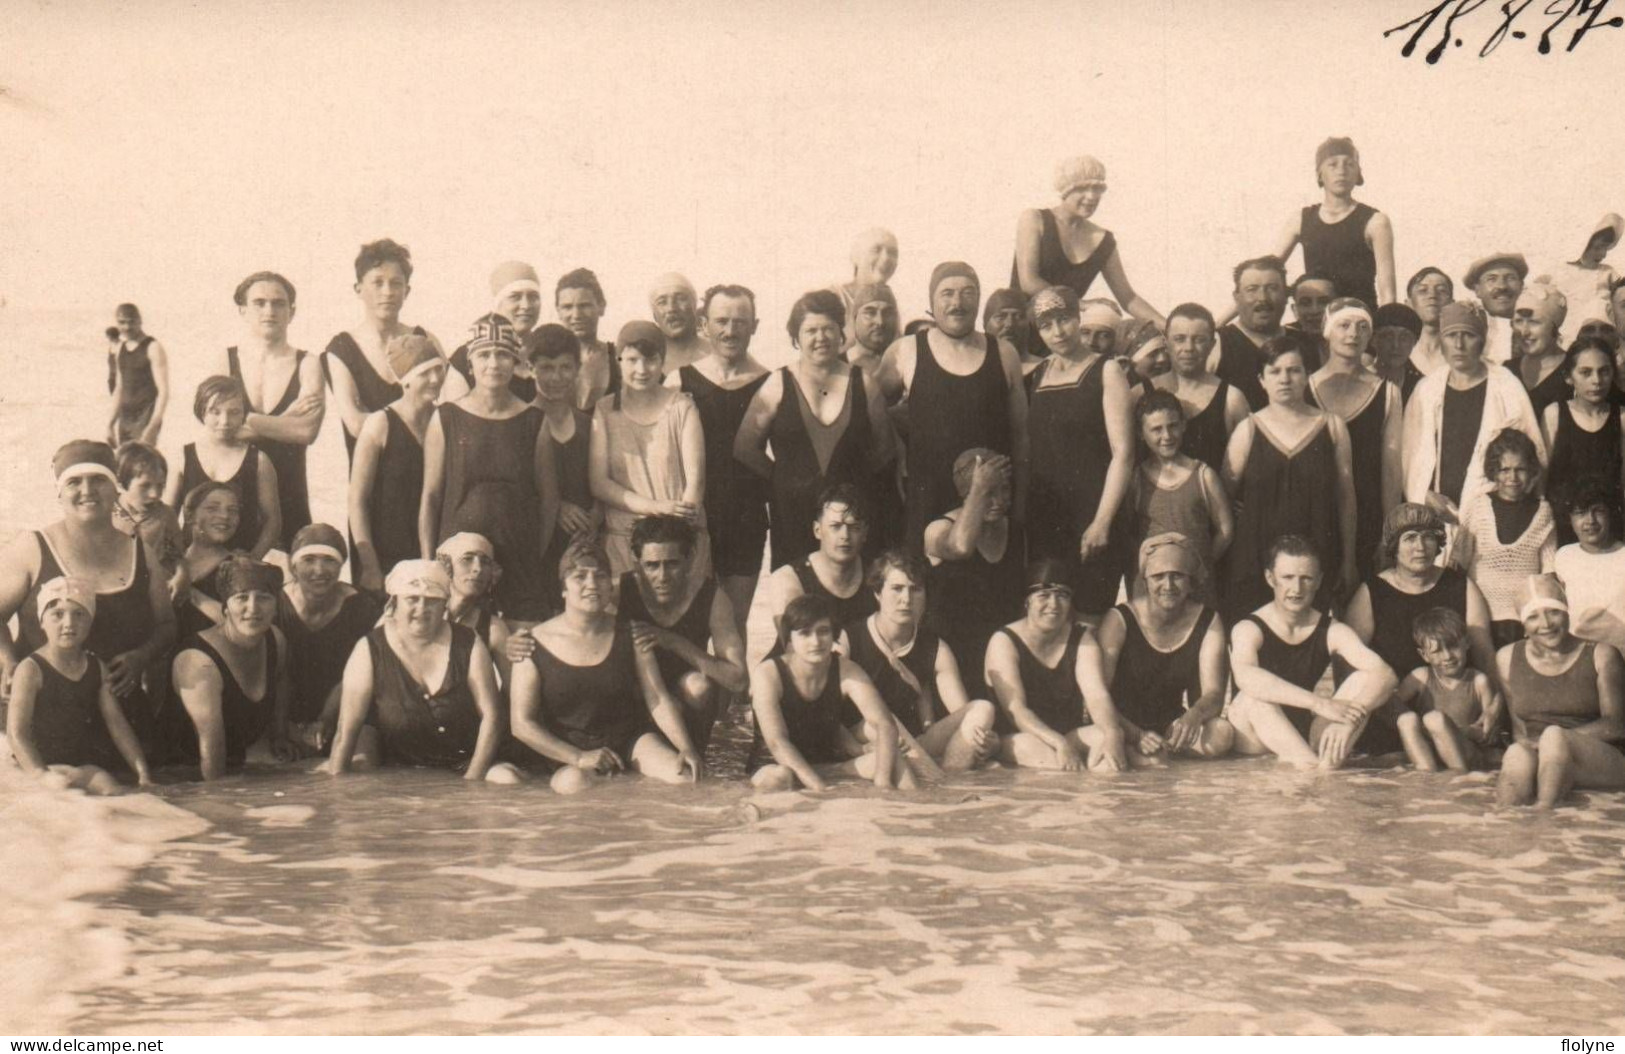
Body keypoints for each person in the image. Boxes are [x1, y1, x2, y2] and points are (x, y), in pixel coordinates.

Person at [0, 441, 176, 750]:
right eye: (74, 482)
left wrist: (141, 657)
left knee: (143, 793)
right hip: (41, 713)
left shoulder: (141, 553)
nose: (87, 490)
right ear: (59, 493)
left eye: (98, 480)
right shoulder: (33, 547)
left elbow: (166, 626)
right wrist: (9, 662)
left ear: (115, 487)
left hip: (119, 713)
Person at [508, 541, 703, 793]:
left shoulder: (629, 632)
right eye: (580, 576)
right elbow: (521, 724)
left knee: (684, 779)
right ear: (563, 589)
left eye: (600, 576)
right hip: (565, 750)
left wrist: (686, 747)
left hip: (630, 740)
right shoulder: (531, 644)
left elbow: (657, 699)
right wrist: (578, 757)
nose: (592, 584)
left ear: (610, 586)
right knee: (574, 786)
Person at [735, 290, 894, 568]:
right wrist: (784, 478)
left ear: (841, 333)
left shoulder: (864, 384)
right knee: (796, 597)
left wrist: (851, 476)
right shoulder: (777, 383)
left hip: (849, 518)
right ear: (796, 337)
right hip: (792, 513)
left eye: (828, 329)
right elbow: (745, 448)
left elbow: (884, 448)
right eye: (810, 330)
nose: (820, 338)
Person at [877, 263, 1028, 556]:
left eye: (967, 293)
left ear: (978, 299)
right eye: (947, 293)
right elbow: (868, 410)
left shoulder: (1003, 353)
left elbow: (1021, 437)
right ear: (932, 302)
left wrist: (1020, 505)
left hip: (993, 501)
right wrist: (896, 447)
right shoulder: (906, 350)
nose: (957, 303)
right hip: (928, 497)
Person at [324, 560, 519, 782]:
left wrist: (472, 781)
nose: (422, 609)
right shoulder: (369, 648)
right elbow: (347, 729)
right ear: (393, 604)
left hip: (465, 762)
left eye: (432, 601)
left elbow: (492, 715)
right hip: (396, 766)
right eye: (412, 599)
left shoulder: (468, 642)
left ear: (444, 606)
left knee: (507, 779)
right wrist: (336, 785)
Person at [419, 315, 558, 625]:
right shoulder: (447, 417)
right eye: (484, 354)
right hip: (459, 565)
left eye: (503, 354)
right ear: (470, 364)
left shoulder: (535, 421)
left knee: (519, 654)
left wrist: (533, 555)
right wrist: (432, 563)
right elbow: (430, 496)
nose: (493, 363)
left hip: (519, 563)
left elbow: (549, 500)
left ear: (515, 361)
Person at [1227, 536, 1398, 769]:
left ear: (1318, 581)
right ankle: (1312, 769)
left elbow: (1386, 675)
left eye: (1306, 578)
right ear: (1270, 578)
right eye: (1287, 578)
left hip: (1303, 733)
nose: (1296, 589)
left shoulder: (1331, 629)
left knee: (1364, 678)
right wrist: (1318, 703)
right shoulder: (1248, 628)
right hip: (1254, 736)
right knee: (1254, 698)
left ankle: (1321, 769)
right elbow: (1247, 679)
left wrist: (1349, 722)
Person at [1222, 338, 1356, 620]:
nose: (1285, 379)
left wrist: (1349, 559)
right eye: (1275, 371)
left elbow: (1345, 497)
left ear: (1307, 375)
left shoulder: (1332, 426)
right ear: (1261, 379)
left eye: (1294, 370)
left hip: (1317, 556)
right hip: (1256, 559)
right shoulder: (1248, 429)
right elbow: (1223, 494)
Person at [1020, 287, 1131, 619]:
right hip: (1047, 519)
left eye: (1064, 320)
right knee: (1049, 617)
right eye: (1047, 325)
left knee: (1089, 618)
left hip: (1093, 517)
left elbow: (1123, 453)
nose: (1058, 332)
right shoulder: (1036, 375)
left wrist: (1102, 521)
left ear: (1077, 317)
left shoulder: (1106, 371)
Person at [840, 549, 1000, 770]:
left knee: (982, 709)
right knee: (882, 722)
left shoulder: (936, 648)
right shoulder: (850, 639)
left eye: (915, 590)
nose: (906, 599)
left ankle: (953, 779)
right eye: (897, 589)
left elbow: (960, 717)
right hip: (867, 738)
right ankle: (937, 783)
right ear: (878, 593)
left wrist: (987, 740)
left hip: (915, 744)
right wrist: (857, 749)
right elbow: (827, 716)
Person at [1344, 502, 1499, 715]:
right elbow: (1348, 665)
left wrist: (1493, 709)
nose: (1420, 547)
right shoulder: (1371, 593)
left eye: (1428, 537)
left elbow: (1484, 653)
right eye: (1410, 538)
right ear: (1393, 546)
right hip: (1391, 710)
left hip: (1454, 709)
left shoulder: (1460, 586)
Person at [746, 594, 910, 792]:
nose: (815, 641)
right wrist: (820, 789)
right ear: (789, 638)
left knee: (891, 758)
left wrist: (883, 783)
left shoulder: (847, 670)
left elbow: (884, 724)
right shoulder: (768, 673)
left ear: (834, 634)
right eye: (805, 633)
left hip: (825, 767)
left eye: (823, 631)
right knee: (782, 776)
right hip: (773, 767)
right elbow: (777, 742)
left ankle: (917, 808)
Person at [681, 285, 771, 637]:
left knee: (735, 625)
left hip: (746, 518)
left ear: (755, 325)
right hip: (694, 514)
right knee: (692, 621)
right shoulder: (682, 379)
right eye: (721, 321)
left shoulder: (771, 382)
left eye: (740, 322)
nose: (730, 331)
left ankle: (736, 695)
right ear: (704, 324)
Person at [1094, 534, 1233, 758]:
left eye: (1177, 576)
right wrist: (1135, 735)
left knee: (1221, 733)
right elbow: (1098, 695)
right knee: (1142, 760)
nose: (1168, 585)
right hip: (1121, 724)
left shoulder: (1207, 620)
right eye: (1158, 576)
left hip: (1170, 726)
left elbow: (1214, 693)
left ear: (1190, 582)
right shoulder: (1119, 619)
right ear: (1145, 581)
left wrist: (1194, 715)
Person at [615, 515, 747, 752]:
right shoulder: (618, 592)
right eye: (652, 566)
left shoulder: (712, 598)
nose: (663, 576)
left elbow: (737, 679)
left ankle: (693, 756)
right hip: (637, 695)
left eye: (672, 564)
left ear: (690, 560)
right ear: (637, 562)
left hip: (688, 697)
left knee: (698, 686)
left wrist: (674, 641)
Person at [6, 578, 151, 793]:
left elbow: (117, 725)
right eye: (57, 614)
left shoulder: (96, 667)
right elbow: (17, 732)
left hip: (79, 766)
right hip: (33, 766)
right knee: (60, 794)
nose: (69, 623)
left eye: (79, 614)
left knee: (114, 791)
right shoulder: (30, 669)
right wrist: (40, 775)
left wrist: (144, 774)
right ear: (42, 622)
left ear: (90, 622)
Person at [1403, 301, 1545, 520]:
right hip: (1438, 517)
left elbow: (1532, 454)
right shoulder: (1426, 389)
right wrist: (1424, 494)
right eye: (1451, 335)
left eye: (1469, 335)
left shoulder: (1506, 385)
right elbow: (1409, 455)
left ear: (1482, 340)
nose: (1459, 344)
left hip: (1495, 515)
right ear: (1441, 341)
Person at [987, 559, 1133, 771]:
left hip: (1069, 735)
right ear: (1027, 601)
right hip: (1019, 737)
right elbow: (1016, 710)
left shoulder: (1082, 639)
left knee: (1110, 758)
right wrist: (1058, 743)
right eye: (1043, 596)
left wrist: (1112, 733)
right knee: (1058, 768)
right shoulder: (1004, 641)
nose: (1053, 604)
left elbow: (1097, 695)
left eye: (1062, 595)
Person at [590, 320, 709, 578]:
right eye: (632, 360)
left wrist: (672, 536)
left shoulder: (682, 407)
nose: (642, 369)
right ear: (619, 360)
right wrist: (655, 507)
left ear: (663, 361)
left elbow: (695, 485)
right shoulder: (604, 410)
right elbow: (599, 483)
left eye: (651, 359)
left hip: (678, 542)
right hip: (624, 543)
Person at [1495, 574, 1625, 808]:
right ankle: (1505, 828)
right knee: (1516, 755)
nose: (1545, 624)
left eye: (1553, 612)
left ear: (1567, 612)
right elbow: (1519, 731)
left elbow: (1616, 725)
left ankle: (1544, 817)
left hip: (1603, 760)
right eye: (1533, 616)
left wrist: (1546, 742)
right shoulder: (1506, 658)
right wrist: (1535, 749)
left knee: (1554, 737)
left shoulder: (1601, 654)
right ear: (1523, 625)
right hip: (1546, 758)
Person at [165, 556, 301, 779]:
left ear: (276, 607)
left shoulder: (275, 640)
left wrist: (279, 734)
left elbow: (281, 679)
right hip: (183, 775)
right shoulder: (198, 662)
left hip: (240, 760)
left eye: (264, 598)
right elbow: (211, 756)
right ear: (225, 607)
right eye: (242, 598)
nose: (253, 608)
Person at [221, 271, 324, 549]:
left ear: (292, 311)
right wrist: (284, 422)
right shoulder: (224, 360)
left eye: (279, 303)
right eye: (259, 303)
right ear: (243, 310)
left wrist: (249, 421)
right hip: (232, 497)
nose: (270, 310)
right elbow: (220, 434)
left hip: (289, 493)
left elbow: (306, 431)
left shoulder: (308, 363)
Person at [1305, 298, 1403, 583]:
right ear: (1327, 331)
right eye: (1344, 325)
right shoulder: (1304, 387)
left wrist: (1389, 534)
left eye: (1362, 327)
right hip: (1315, 513)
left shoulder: (1387, 393)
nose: (1353, 334)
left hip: (1366, 515)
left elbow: (1391, 468)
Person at [322, 239, 440, 460]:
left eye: (396, 283)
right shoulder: (342, 349)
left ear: (407, 290)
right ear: (358, 289)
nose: (388, 292)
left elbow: (451, 411)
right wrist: (421, 425)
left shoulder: (424, 339)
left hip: (429, 468)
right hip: (371, 476)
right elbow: (355, 424)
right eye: (378, 282)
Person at [1011, 155, 1163, 325]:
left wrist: (1170, 327)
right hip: (1019, 327)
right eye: (1082, 188)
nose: (1091, 196)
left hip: (1064, 333)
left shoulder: (1104, 240)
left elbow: (1128, 297)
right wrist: (1081, 304)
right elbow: (1029, 282)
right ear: (1065, 189)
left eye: (1097, 188)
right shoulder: (1034, 219)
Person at [348, 333, 447, 592]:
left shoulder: (447, 422)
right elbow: (357, 500)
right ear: (405, 380)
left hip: (435, 553)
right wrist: (369, 565)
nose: (436, 379)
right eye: (425, 373)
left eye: (439, 370)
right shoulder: (380, 424)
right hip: (386, 556)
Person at [924, 449, 1024, 696]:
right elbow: (960, 547)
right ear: (966, 494)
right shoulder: (937, 529)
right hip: (955, 660)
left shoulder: (1015, 530)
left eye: (1004, 490)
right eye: (989, 492)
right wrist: (979, 486)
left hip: (1001, 657)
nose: (999, 501)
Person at [277, 524, 383, 752]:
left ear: (341, 565)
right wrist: (281, 728)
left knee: (362, 767)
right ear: (293, 566)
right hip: (282, 713)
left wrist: (326, 719)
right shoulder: (275, 604)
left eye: (329, 560)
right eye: (309, 560)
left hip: (346, 707)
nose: (319, 570)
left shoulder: (362, 608)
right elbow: (275, 675)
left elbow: (357, 674)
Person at [1455, 428, 1556, 646]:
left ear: (1531, 471)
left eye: (1520, 469)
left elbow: (1548, 571)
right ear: (1493, 471)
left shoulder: (1543, 511)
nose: (1512, 478)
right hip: (1479, 616)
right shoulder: (1478, 506)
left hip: (1525, 618)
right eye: (1504, 470)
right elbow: (1458, 563)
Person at [1129, 391, 1232, 604]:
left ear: (1184, 424)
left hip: (1195, 588)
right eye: (1156, 429)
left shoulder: (1203, 475)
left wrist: (1197, 565)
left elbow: (1225, 530)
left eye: (1173, 425)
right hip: (1152, 591)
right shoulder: (1136, 479)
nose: (1167, 436)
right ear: (1141, 433)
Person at [1272, 137, 1395, 309]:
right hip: (1317, 320)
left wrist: (1387, 327)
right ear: (1319, 174)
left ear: (1358, 173)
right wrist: (1221, 321)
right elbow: (1265, 273)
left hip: (1359, 322)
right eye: (1332, 164)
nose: (1341, 171)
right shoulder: (1301, 219)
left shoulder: (1376, 221)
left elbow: (1387, 292)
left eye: (1349, 164)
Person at [527, 324, 600, 608]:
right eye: (546, 367)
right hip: (540, 543)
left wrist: (596, 516)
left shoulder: (589, 424)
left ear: (578, 367)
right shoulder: (521, 422)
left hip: (586, 543)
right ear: (530, 368)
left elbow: (606, 479)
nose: (556, 377)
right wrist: (555, 507)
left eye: (565, 367)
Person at [168, 375, 279, 558]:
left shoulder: (259, 461)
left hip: (239, 565)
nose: (225, 421)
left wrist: (252, 559)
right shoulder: (183, 456)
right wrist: (177, 563)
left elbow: (272, 522)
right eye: (215, 411)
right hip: (191, 563)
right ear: (202, 411)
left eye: (234, 412)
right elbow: (167, 517)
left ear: (243, 413)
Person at [764, 484, 877, 651]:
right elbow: (794, 648)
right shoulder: (789, 578)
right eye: (835, 526)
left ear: (865, 534)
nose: (845, 536)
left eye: (854, 528)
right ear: (817, 530)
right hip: (800, 670)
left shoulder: (878, 575)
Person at [1393, 607, 1501, 772]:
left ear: (1466, 643)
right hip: (1432, 754)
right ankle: (1426, 776)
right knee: (1406, 720)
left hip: (1466, 754)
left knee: (1434, 719)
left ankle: (1459, 777)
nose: (1447, 656)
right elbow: (1391, 705)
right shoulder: (1420, 677)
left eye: (1453, 647)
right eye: (1436, 651)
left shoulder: (1478, 681)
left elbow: (1487, 734)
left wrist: (1447, 730)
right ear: (1424, 655)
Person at [1542, 337, 1625, 547]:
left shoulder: (1622, 418)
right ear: (1569, 377)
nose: (1596, 380)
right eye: (1586, 372)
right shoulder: (1554, 415)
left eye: (1604, 371)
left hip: (1609, 529)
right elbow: (1541, 479)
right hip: (1562, 528)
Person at [1153, 303, 1250, 472]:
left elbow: (1246, 467)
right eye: (1179, 339)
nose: (1189, 348)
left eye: (1199, 340)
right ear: (1166, 343)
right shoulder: (1141, 392)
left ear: (1212, 345)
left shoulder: (1232, 399)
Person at [1216, 255, 1312, 411]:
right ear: (1237, 297)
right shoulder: (1217, 343)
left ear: (1286, 296)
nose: (1262, 298)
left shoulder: (1304, 342)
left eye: (1272, 288)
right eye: (1252, 290)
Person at [445, 261, 543, 403]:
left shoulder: (549, 353)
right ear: (497, 302)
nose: (526, 305)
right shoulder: (465, 358)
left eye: (533, 296)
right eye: (515, 297)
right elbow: (453, 418)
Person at [1553, 478, 1625, 652]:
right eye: (1580, 512)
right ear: (1569, 518)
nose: (1590, 520)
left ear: (1611, 513)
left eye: (1598, 511)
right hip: (1578, 655)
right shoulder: (1564, 556)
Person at [111, 442, 186, 606]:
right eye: (145, 486)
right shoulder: (106, 514)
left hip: (156, 590)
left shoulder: (166, 514)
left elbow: (177, 555)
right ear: (120, 483)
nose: (155, 494)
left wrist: (180, 575)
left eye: (161, 486)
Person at [435, 532, 512, 682]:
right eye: (467, 559)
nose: (478, 568)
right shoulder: (417, 611)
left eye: (485, 562)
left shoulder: (493, 628)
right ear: (447, 567)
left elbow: (516, 691)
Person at [175, 481, 243, 638]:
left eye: (233, 510)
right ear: (189, 515)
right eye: (212, 508)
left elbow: (240, 627)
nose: (225, 516)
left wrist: (189, 592)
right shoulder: (170, 561)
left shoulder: (238, 567)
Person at [1540, 212, 1623, 329]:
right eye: (1598, 247)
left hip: (1599, 334)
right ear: (1582, 245)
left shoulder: (1607, 272)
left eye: (1606, 248)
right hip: (1567, 334)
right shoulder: (1558, 271)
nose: (1603, 254)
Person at [555, 267, 618, 411]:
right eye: (567, 307)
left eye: (584, 306)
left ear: (601, 307)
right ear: (558, 311)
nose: (576, 315)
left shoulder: (617, 357)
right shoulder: (547, 358)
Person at [105, 303, 168, 447]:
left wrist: (153, 425)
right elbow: (119, 389)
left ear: (140, 321)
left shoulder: (153, 347)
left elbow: (163, 391)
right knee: (124, 463)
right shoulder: (120, 348)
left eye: (131, 322)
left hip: (146, 417)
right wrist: (110, 425)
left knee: (141, 463)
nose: (127, 327)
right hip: (125, 418)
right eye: (122, 322)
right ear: (117, 323)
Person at [1509, 283, 1572, 417]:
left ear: (1554, 327)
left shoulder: (1575, 368)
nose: (1524, 332)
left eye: (1534, 322)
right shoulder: (1507, 370)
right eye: (1519, 321)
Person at [832, 228, 901, 347]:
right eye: (876, 250)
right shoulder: (834, 298)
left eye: (892, 252)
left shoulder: (889, 302)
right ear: (855, 257)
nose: (886, 258)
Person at [1464, 252, 1527, 366]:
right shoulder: (1467, 330)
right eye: (1492, 279)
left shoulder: (1535, 332)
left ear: (1521, 286)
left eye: (1510, 278)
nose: (1502, 286)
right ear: (1477, 290)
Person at [648, 272, 711, 373]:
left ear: (694, 305)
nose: (672, 308)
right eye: (662, 302)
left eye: (681, 298)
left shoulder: (718, 353)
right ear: (655, 315)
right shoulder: (646, 362)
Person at [1405, 265, 1454, 385]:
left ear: (1452, 304)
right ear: (1409, 304)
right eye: (1422, 290)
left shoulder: (1461, 353)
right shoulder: (1398, 353)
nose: (1432, 295)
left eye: (1441, 290)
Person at [1370, 302, 1425, 401]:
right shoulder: (1358, 382)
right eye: (1388, 336)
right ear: (1373, 339)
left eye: (1404, 338)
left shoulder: (1423, 387)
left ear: (1414, 342)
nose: (1396, 345)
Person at [846, 283, 901, 376]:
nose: (880, 322)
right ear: (855, 318)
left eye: (887, 313)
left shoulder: (907, 363)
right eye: (870, 313)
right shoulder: (834, 366)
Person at [1285, 274, 1337, 369]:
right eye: (1305, 303)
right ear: (1294, 310)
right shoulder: (1284, 343)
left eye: (1324, 302)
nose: (1314, 311)